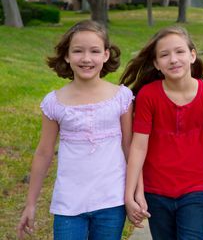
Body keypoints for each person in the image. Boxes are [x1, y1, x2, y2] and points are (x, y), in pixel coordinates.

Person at [120, 26, 203, 239]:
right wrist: (130, 193)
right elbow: (138, 147)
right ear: (157, 64)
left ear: (192, 55)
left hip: (196, 190)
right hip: (156, 190)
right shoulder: (148, 96)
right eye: (164, 55)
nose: (173, 59)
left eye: (180, 52)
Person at [16, 20, 133, 239]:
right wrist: (30, 204)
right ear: (67, 56)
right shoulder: (55, 102)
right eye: (78, 51)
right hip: (68, 205)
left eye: (95, 51)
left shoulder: (121, 98)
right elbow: (44, 152)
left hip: (112, 201)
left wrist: (135, 192)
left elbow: (129, 147)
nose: (86, 58)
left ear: (106, 55)